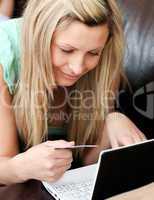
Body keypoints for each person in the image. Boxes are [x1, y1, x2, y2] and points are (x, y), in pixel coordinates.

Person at [0, 0, 146, 185]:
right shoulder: (5, 52)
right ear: (40, 37)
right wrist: (19, 168)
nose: (78, 68)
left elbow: (86, 163)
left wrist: (110, 124)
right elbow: (3, 164)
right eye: (66, 50)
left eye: (93, 53)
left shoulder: (105, 61)